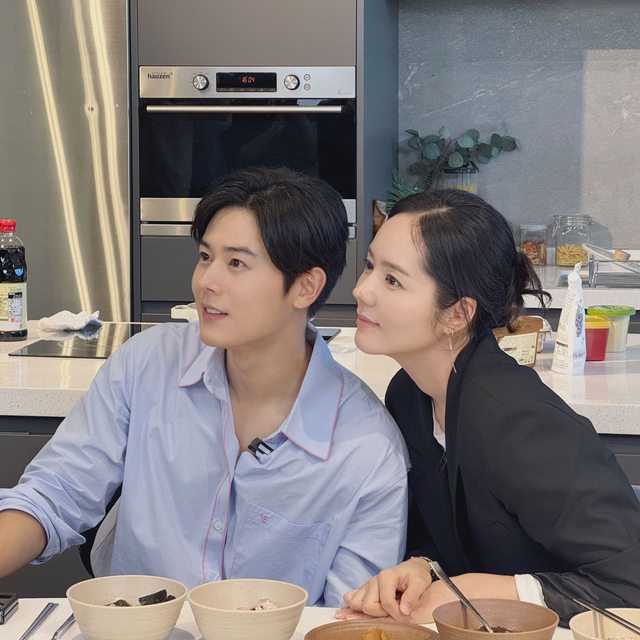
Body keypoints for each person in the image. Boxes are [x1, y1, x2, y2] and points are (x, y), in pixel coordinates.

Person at [0, 166, 409, 606]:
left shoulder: (368, 449)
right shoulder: (147, 363)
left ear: (305, 287)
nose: (205, 282)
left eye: (236, 263)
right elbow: (54, 494)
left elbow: (349, 620)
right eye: (205, 257)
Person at [339, 188, 640, 625]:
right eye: (370, 266)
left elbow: (630, 583)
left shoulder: (518, 420)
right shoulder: (409, 394)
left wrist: (498, 591)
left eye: (393, 280)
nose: (361, 290)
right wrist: (423, 567)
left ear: (457, 315)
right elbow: (447, 530)